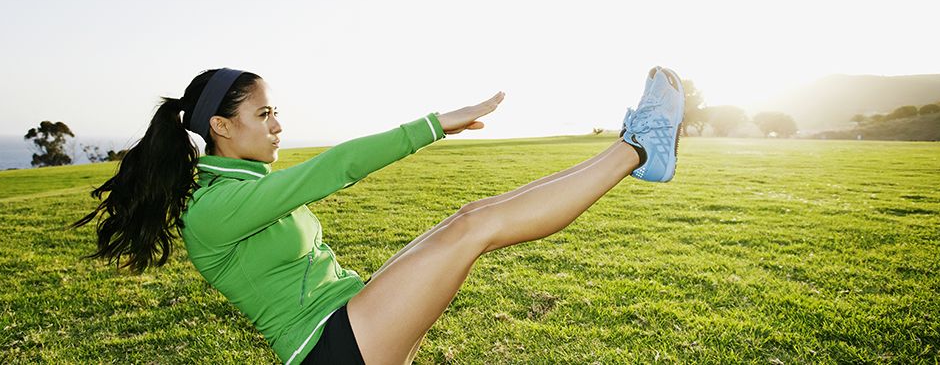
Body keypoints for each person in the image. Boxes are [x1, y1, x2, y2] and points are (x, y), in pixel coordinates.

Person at [72, 66, 685, 364]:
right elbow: (333, 169)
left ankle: (639, 151)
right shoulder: (216, 208)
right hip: (328, 347)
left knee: (468, 218)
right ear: (221, 128)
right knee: (474, 229)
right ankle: (638, 147)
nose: (279, 124)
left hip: (349, 319)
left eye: (275, 110)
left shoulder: (239, 186)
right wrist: (432, 125)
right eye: (264, 116)